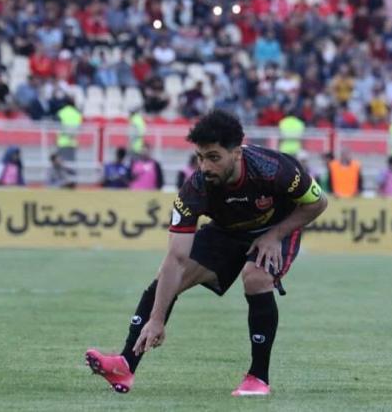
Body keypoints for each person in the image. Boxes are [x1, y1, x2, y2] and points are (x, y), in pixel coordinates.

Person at [85, 110, 328, 396]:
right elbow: (175, 259)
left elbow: (318, 203)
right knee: (169, 278)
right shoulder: (195, 189)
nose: (205, 166)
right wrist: (157, 319)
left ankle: (258, 378)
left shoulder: (274, 169)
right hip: (227, 231)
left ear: (236, 153)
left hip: (277, 227)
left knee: (255, 276)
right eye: (200, 157)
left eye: (214, 157)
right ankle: (125, 364)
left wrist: (275, 236)